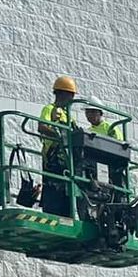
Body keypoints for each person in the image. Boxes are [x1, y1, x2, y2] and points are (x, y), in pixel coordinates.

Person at [37, 76, 78, 217]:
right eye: (70, 96)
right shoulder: (50, 109)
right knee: (53, 191)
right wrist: (60, 137)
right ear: (61, 94)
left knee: (67, 194)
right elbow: (41, 126)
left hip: (67, 161)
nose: (71, 100)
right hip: (53, 159)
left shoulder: (70, 117)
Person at [82, 103, 130, 194]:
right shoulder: (89, 131)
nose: (89, 115)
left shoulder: (110, 128)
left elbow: (120, 145)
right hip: (94, 161)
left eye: (92, 112)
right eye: (87, 113)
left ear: (100, 113)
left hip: (109, 161)